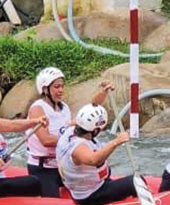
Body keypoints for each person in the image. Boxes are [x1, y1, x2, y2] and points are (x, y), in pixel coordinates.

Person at [25, 67, 114, 197]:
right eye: (56, 87)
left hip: (63, 165)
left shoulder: (63, 108)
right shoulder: (37, 109)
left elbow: (86, 115)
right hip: (43, 169)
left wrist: (103, 93)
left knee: (104, 177)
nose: (61, 90)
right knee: (52, 200)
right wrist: (72, 140)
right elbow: (46, 140)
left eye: (62, 86)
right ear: (45, 89)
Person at [57, 104, 137, 205]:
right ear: (94, 130)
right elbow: (93, 160)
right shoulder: (77, 147)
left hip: (90, 186)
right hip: (90, 196)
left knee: (108, 172)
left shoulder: (70, 131)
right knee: (135, 182)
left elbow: (91, 109)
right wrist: (116, 142)